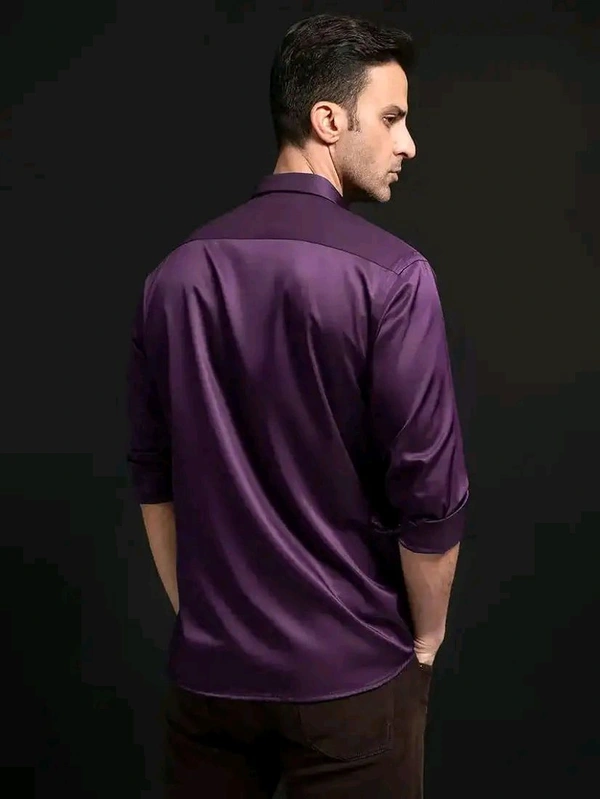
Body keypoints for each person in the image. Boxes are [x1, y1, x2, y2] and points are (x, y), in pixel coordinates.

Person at [126, 12, 469, 799]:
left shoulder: (170, 277)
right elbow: (432, 497)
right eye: (392, 117)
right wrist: (425, 641)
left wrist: (207, 621)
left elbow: (154, 477)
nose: (409, 143)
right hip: (351, 678)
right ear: (327, 120)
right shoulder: (394, 277)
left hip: (210, 681)